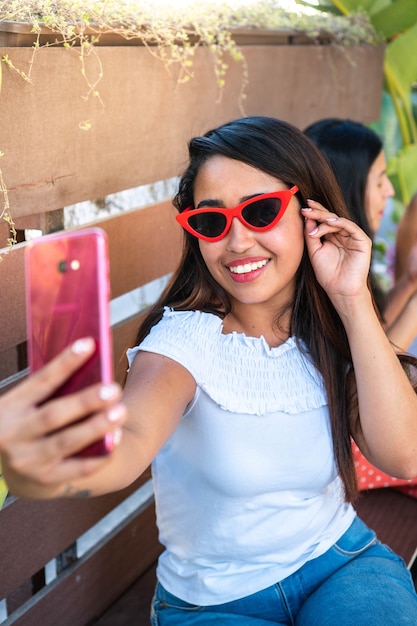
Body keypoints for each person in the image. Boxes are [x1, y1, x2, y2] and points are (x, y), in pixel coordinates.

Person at [1, 116, 417, 625]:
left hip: (342, 565)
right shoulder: (184, 342)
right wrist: (58, 455)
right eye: (212, 221)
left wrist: (351, 298)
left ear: (311, 214)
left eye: (261, 211)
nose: (238, 242)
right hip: (213, 603)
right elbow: (128, 440)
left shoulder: (331, 325)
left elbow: (404, 453)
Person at [304, 117, 417, 353]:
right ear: (347, 188)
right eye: (378, 182)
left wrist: (410, 282)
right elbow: (379, 373)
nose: (390, 190)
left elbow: (374, 330)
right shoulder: (319, 272)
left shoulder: (344, 252)